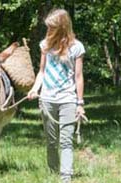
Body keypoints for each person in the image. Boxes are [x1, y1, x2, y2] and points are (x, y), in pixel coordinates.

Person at [27, 9, 85, 183]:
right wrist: (34, 89)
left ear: (62, 27)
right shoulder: (45, 45)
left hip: (67, 99)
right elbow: (42, 71)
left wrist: (80, 103)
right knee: (51, 141)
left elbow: (78, 76)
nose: (48, 30)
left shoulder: (76, 47)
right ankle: (53, 171)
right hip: (47, 99)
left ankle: (65, 176)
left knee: (66, 140)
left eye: (52, 27)